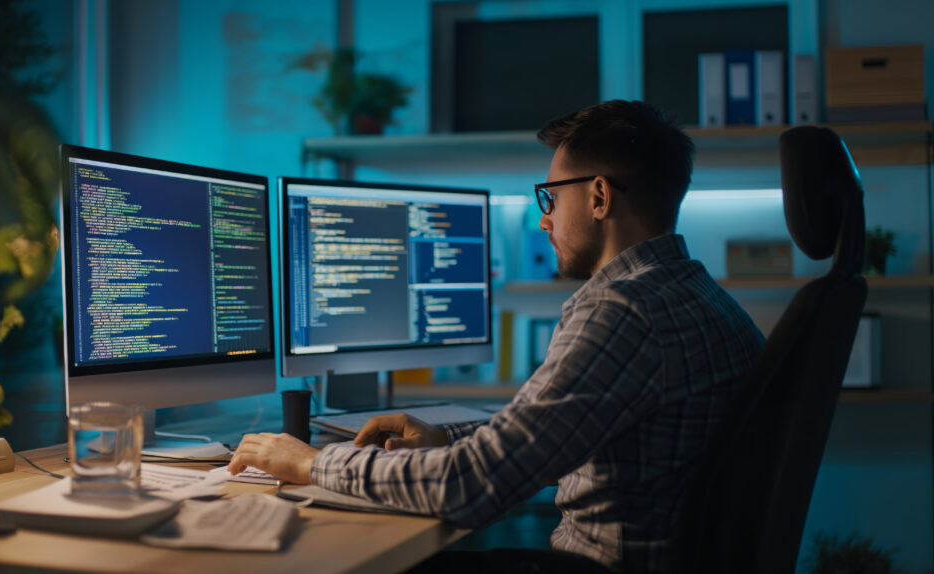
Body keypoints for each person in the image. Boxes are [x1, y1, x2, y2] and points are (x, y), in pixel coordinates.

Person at [229, 100, 765, 573]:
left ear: (599, 196)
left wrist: (310, 463)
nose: (543, 222)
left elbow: (472, 486)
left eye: (550, 198)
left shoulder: (623, 309)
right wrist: (450, 438)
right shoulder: (701, 297)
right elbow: (568, 439)